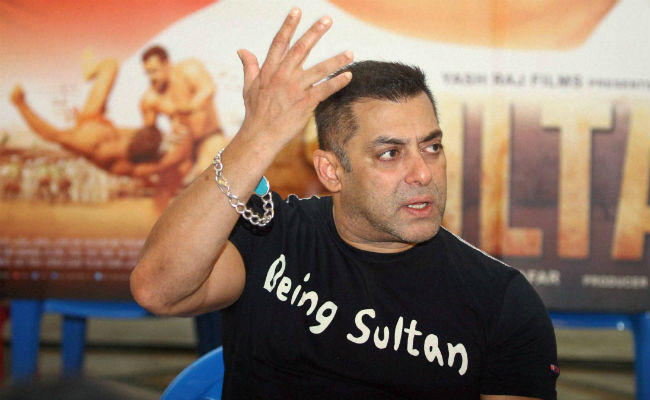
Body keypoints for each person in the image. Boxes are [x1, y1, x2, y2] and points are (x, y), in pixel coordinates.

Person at [130, 8, 558, 400]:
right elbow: (158, 291)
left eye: (431, 147)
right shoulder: (269, 235)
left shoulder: (500, 300)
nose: (423, 173)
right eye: (390, 154)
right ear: (331, 171)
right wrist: (256, 138)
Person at [10, 58, 171, 177]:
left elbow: (51, 135)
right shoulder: (137, 150)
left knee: (110, 65)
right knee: (110, 65)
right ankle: (91, 71)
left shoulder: (96, 149)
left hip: (91, 124)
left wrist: (20, 104)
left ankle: (17, 102)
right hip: (99, 124)